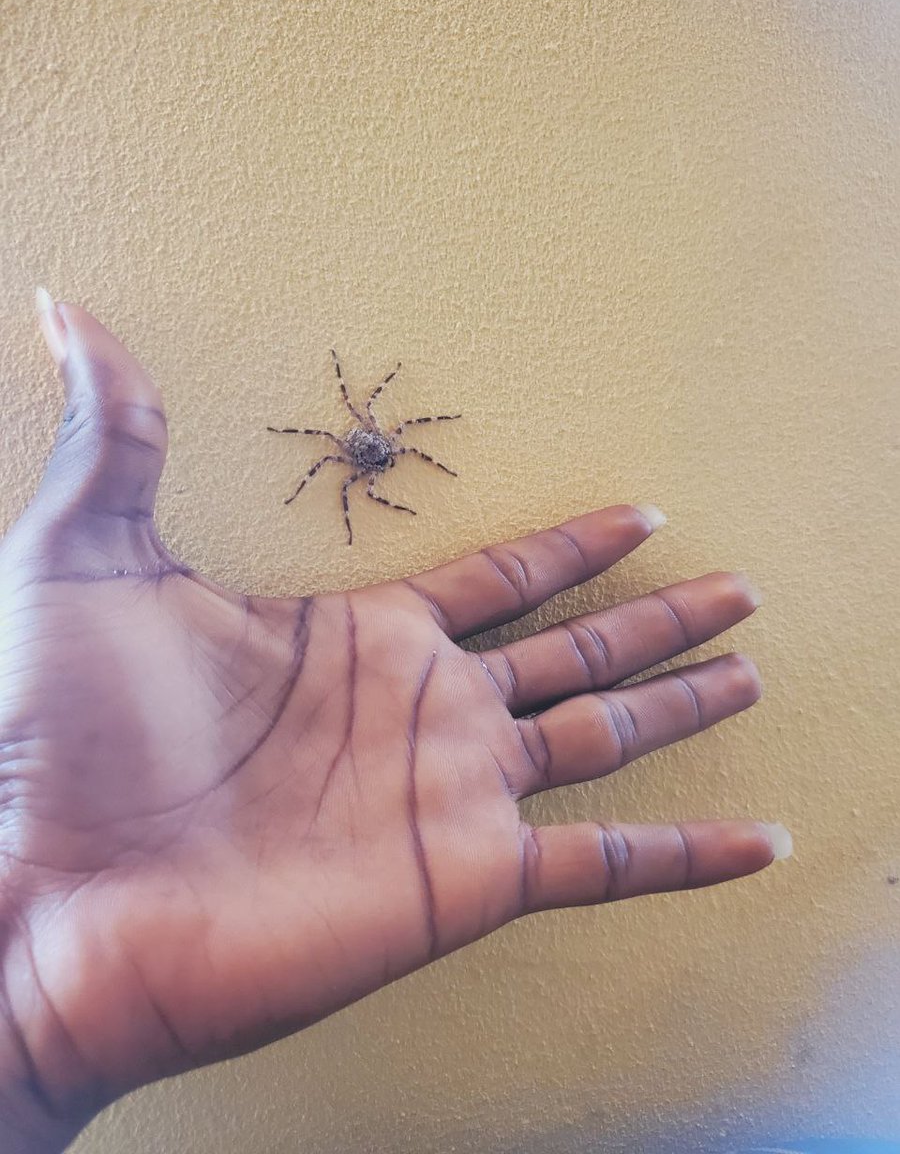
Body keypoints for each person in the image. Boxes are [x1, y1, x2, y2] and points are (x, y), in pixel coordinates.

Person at [0, 291, 791, 1153]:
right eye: (370, 457)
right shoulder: (354, 454)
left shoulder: (382, 445)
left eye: (376, 455)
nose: (373, 454)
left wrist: (40, 1039)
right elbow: (340, 450)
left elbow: (383, 428)